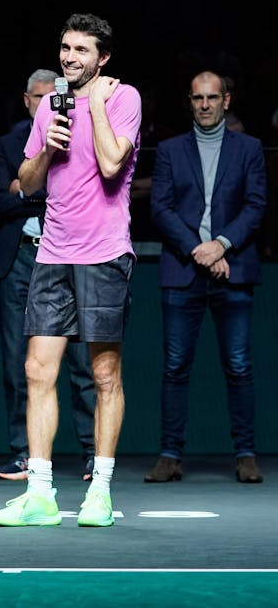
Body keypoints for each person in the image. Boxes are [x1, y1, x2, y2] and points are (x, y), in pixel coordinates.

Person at [0, 13, 141, 528]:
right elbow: (25, 182)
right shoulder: (49, 105)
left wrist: (94, 105)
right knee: (37, 370)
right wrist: (48, 149)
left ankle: (99, 490)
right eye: (65, 48)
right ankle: (41, 493)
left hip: (103, 253)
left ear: (103, 58)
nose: (70, 57)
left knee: (103, 374)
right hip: (52, 252)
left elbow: (112, 164)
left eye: (81, 50)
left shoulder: (124, 98)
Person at [146, 71, 267, 484]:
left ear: (226, 101)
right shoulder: (169, 149)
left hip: (233, 268)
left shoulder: (249, 148)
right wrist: (202, 250)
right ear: (190, 101)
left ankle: (246, 454)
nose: (205, 105)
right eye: (198, 98)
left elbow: (256, 205)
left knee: (238, 366)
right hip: (184, 269)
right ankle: (169, 454)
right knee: (176, 367)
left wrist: (222, 244)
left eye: (212, 97)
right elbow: (159, 208)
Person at [0, 69, 97, 481]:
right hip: (21, 259)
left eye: (56, 97)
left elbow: (81, 196)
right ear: (27, 100)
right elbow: (1, 201)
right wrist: (36, 193)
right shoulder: (7, 145)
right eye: (39, 97)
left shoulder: (79, 135)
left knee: (83, 360)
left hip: (72, 257)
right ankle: (24, 454)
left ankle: (91, 452)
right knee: (18, 360)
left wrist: (28, 189)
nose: (48, 104)